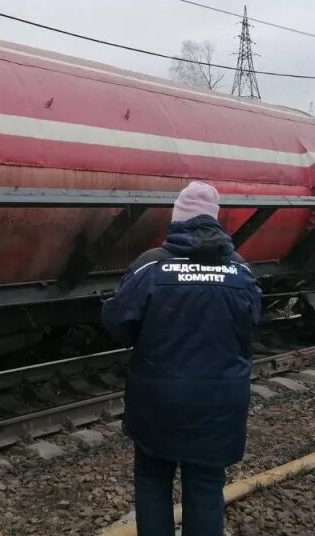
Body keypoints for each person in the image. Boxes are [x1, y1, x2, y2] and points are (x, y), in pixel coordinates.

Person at [101, 181, 262, 536]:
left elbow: (116, 323)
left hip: (158, 400)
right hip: (220, 403)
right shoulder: (242, 272)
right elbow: (250, 327)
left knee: (153, 478)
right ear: (215, 222)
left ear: (177, 219)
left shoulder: (148, 267)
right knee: (206, 485)